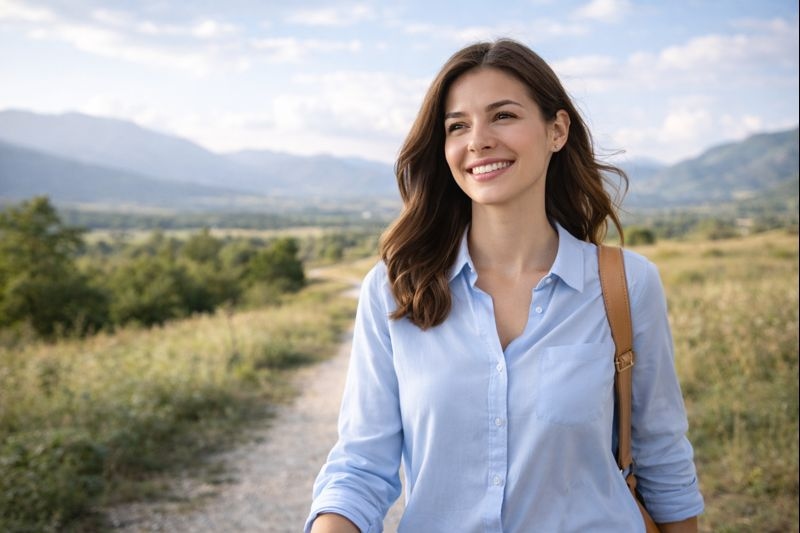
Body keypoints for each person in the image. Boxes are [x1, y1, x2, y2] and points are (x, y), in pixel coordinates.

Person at [305, 38, 704, 533]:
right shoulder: (395, 289)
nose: (478, 140)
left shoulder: (625, 284)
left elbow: (661, 454)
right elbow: (361, 465)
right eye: (457, 126)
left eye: (504, 116)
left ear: (556, 130)